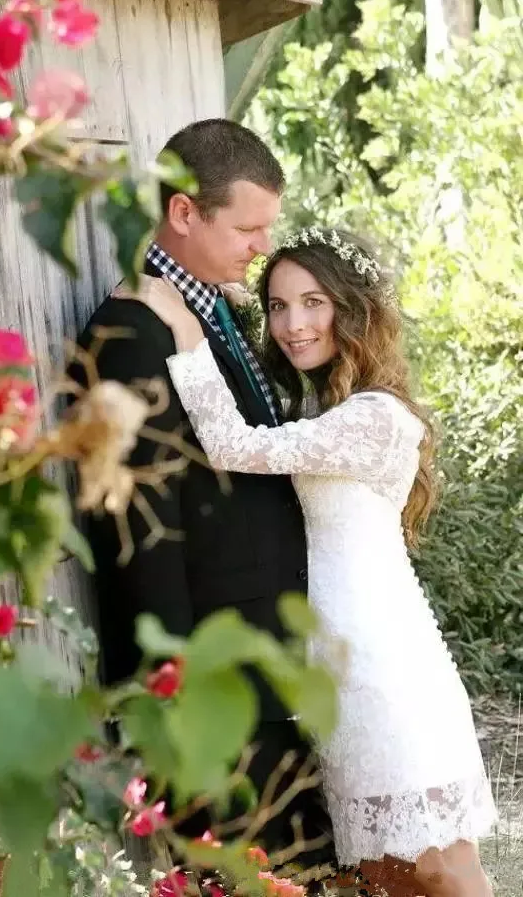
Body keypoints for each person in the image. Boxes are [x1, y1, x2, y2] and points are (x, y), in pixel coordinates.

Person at [118, 226, 497, 897]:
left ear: (353, 309)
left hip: (387, 669)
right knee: (386, 872)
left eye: (314, 302)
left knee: (442, 867)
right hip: (333, 668)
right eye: (279, 305)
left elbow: (234, 443)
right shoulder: (323, 404)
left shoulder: (374, 418)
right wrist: (227, 308)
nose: (293, 325)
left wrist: (185, 322)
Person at [68, 120, 335, 877]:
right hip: (212, 693)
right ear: (184, 213)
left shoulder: (215, 312)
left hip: (263, 672)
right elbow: (135, 529)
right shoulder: (130, 333)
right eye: (247, 227)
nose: (260, 246)